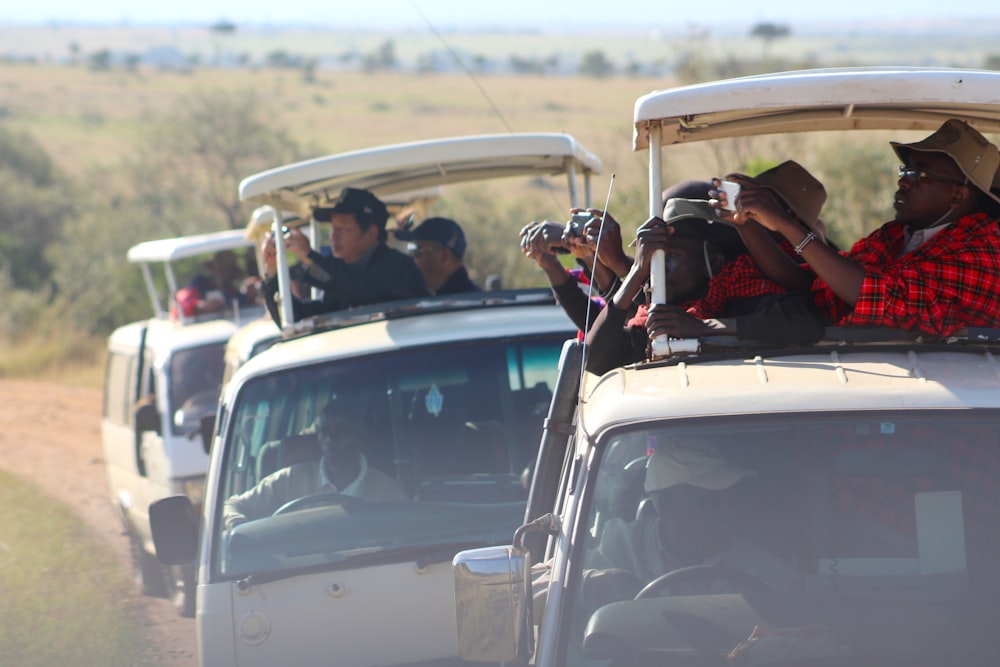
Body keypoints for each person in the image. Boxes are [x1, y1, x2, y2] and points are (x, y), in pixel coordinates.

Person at [725, 119, 1000, 337]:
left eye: (919, 174)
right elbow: (812, 281)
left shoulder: (982, 254)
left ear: (958, 196)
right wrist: (745, 224)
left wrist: (785, 225)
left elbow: (880, 297)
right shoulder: (893, 237)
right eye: (905, 171)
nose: (903, 182)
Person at [581, 438, 801, 603]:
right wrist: (591, 583)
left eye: (729, 497)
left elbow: (803, 613)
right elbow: (551, 582)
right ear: (666, 503)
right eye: (708, 500)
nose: (727, 510)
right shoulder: (617, 546)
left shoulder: (764, 570)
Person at [223, 394, 407, 530]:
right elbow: (232, 505)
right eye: (324, 432)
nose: (330, 440)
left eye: (341, 432)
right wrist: (239, 526)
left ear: (360, 437)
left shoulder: (388, 492)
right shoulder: (289, 480)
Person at [261, 187, 430, 326]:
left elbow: (360, 288)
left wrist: (310, 257)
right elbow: (298, 320)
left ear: (371, 233)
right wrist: (272, 273)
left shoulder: (397, 267)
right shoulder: (342, 274)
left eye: (343, 229)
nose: (334, 237)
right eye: (333, 228)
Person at [393, 216, 482, 295]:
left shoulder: (460, 303)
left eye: (417, 252)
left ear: (444, 256)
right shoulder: (468, 298)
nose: (412, 260)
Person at [175, 249, 250, 317]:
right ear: (213, 267)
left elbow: (247, 306)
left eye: (227, 268)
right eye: (221, 267)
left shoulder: (233, 292)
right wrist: (201, 306)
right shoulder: (199, 283)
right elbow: (183, 303)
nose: (223, 272)